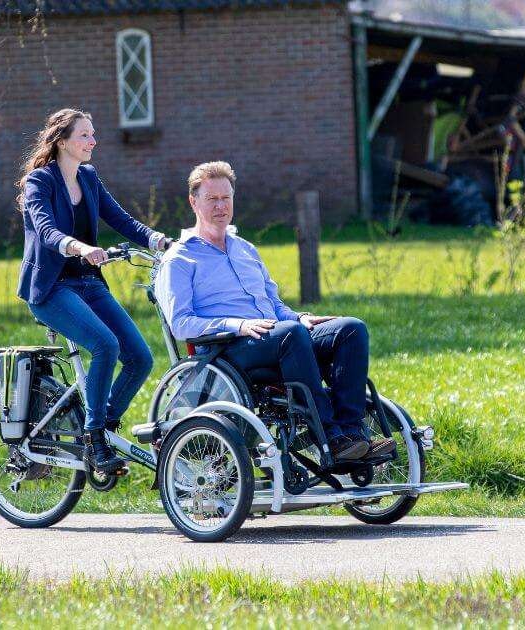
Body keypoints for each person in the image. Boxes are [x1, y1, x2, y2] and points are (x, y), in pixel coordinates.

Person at [154, 161, 393, 461]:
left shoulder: (245, 249)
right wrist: (237, 325)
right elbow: (181, 324)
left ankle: (352, 433)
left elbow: (274, 305)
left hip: (276, 335)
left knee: (350, 329)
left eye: (225, 198)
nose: (220, 206)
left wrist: (300, 317)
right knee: (290, 335)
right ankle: (330, 438)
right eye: (211, 199)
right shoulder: (179, 259)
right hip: (228, 350)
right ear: (193, 201)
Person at [17, 108, 168, 474]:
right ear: (62, 141)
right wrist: (79, 247)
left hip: (87, 283)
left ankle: (100, 429)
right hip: (51, 289)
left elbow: (117, 217)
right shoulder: (40, 182)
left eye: (93, 134)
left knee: (140, 357)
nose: (92, 141)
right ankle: (94, 438)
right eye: (84, 135)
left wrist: (157, 239)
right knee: (106, 345)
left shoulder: (87, 176)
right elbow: (46, 230)